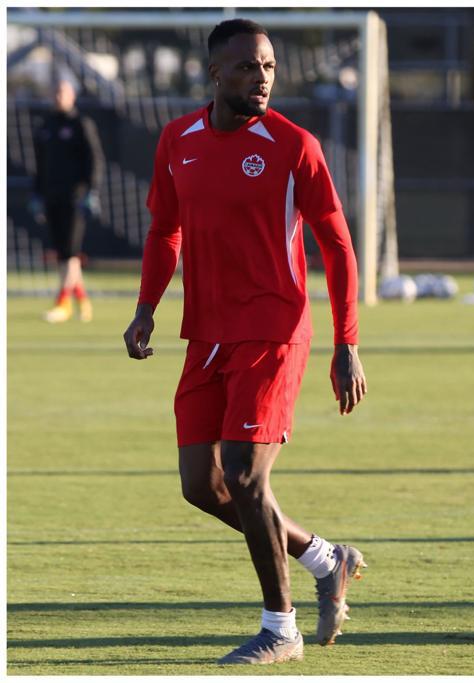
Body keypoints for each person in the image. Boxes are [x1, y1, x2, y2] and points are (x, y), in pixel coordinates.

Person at [122, 19, 368, 666]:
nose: (260, 77)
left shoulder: (294, 145)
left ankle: (279, 628)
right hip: (205, 332)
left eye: (268, 67)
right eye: (246, 67)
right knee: (200, 485)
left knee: (244, 474)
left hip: (273, 327)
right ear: (214, 74)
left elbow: (338, 246)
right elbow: (163, 232)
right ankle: (325, 557)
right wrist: (146, 308)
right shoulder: (178, 142)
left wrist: (347, 342)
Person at [31, 76, 104, 323]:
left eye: (63, 92)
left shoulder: (81, 124)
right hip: (51, 196)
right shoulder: (45, 126)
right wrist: (37, 194)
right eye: (55, 92)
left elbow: (94, 160)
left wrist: (91, 192)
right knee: (62, 253)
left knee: (70, 253)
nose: (58, 97)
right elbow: (39, 165)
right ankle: (82, 301)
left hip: (75, 198)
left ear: (72, 95)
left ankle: (62, 303)